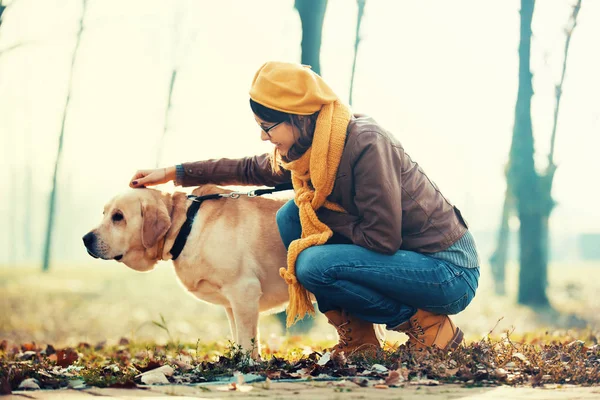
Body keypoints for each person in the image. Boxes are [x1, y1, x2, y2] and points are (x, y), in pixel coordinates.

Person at [130, 61, 480, 356]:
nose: (264, 138)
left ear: (296, 118)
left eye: (268, 127)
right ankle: (360, 340)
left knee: (311, 262)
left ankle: (432, 327)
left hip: (446, 269)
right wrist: (174, 173)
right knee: (291, 218)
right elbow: (248, 168)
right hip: (408, 265)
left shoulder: (366, 143)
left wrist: (320, 215)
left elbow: (382, 238)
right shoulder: (309, 152)